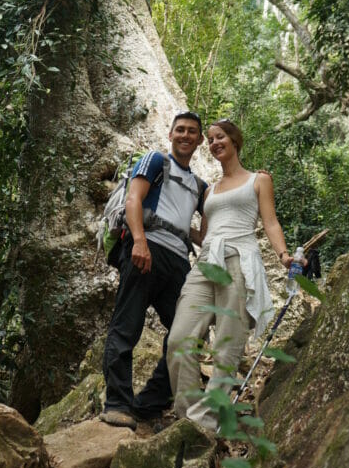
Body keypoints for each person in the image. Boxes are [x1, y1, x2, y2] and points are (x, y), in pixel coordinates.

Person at [166, 119, 297, 432]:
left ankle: (206, 421)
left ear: (235, 140)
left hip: (239, 259)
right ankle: (188, 419)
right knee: (178, 340)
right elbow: (204, 235)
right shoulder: (209, 190)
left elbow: (270, 222)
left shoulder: (258, 179)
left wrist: (283, 255)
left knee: (227, 343)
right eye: (210, 140)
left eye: (220, 137)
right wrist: (166, 221)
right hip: (206, 264)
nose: (214, 143)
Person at [100, 111, 207, 430]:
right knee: (127, 325)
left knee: (189, 332)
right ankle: (117, 403)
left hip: (179, 260)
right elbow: (134, 198)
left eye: (192, 132)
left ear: (200, 140)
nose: (186, 135)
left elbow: (201, 231)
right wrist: (138, 241)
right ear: (171, 134)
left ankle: (149, 404)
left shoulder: (199, 186)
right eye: (180, 130)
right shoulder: (155, 161)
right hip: (147, 248)